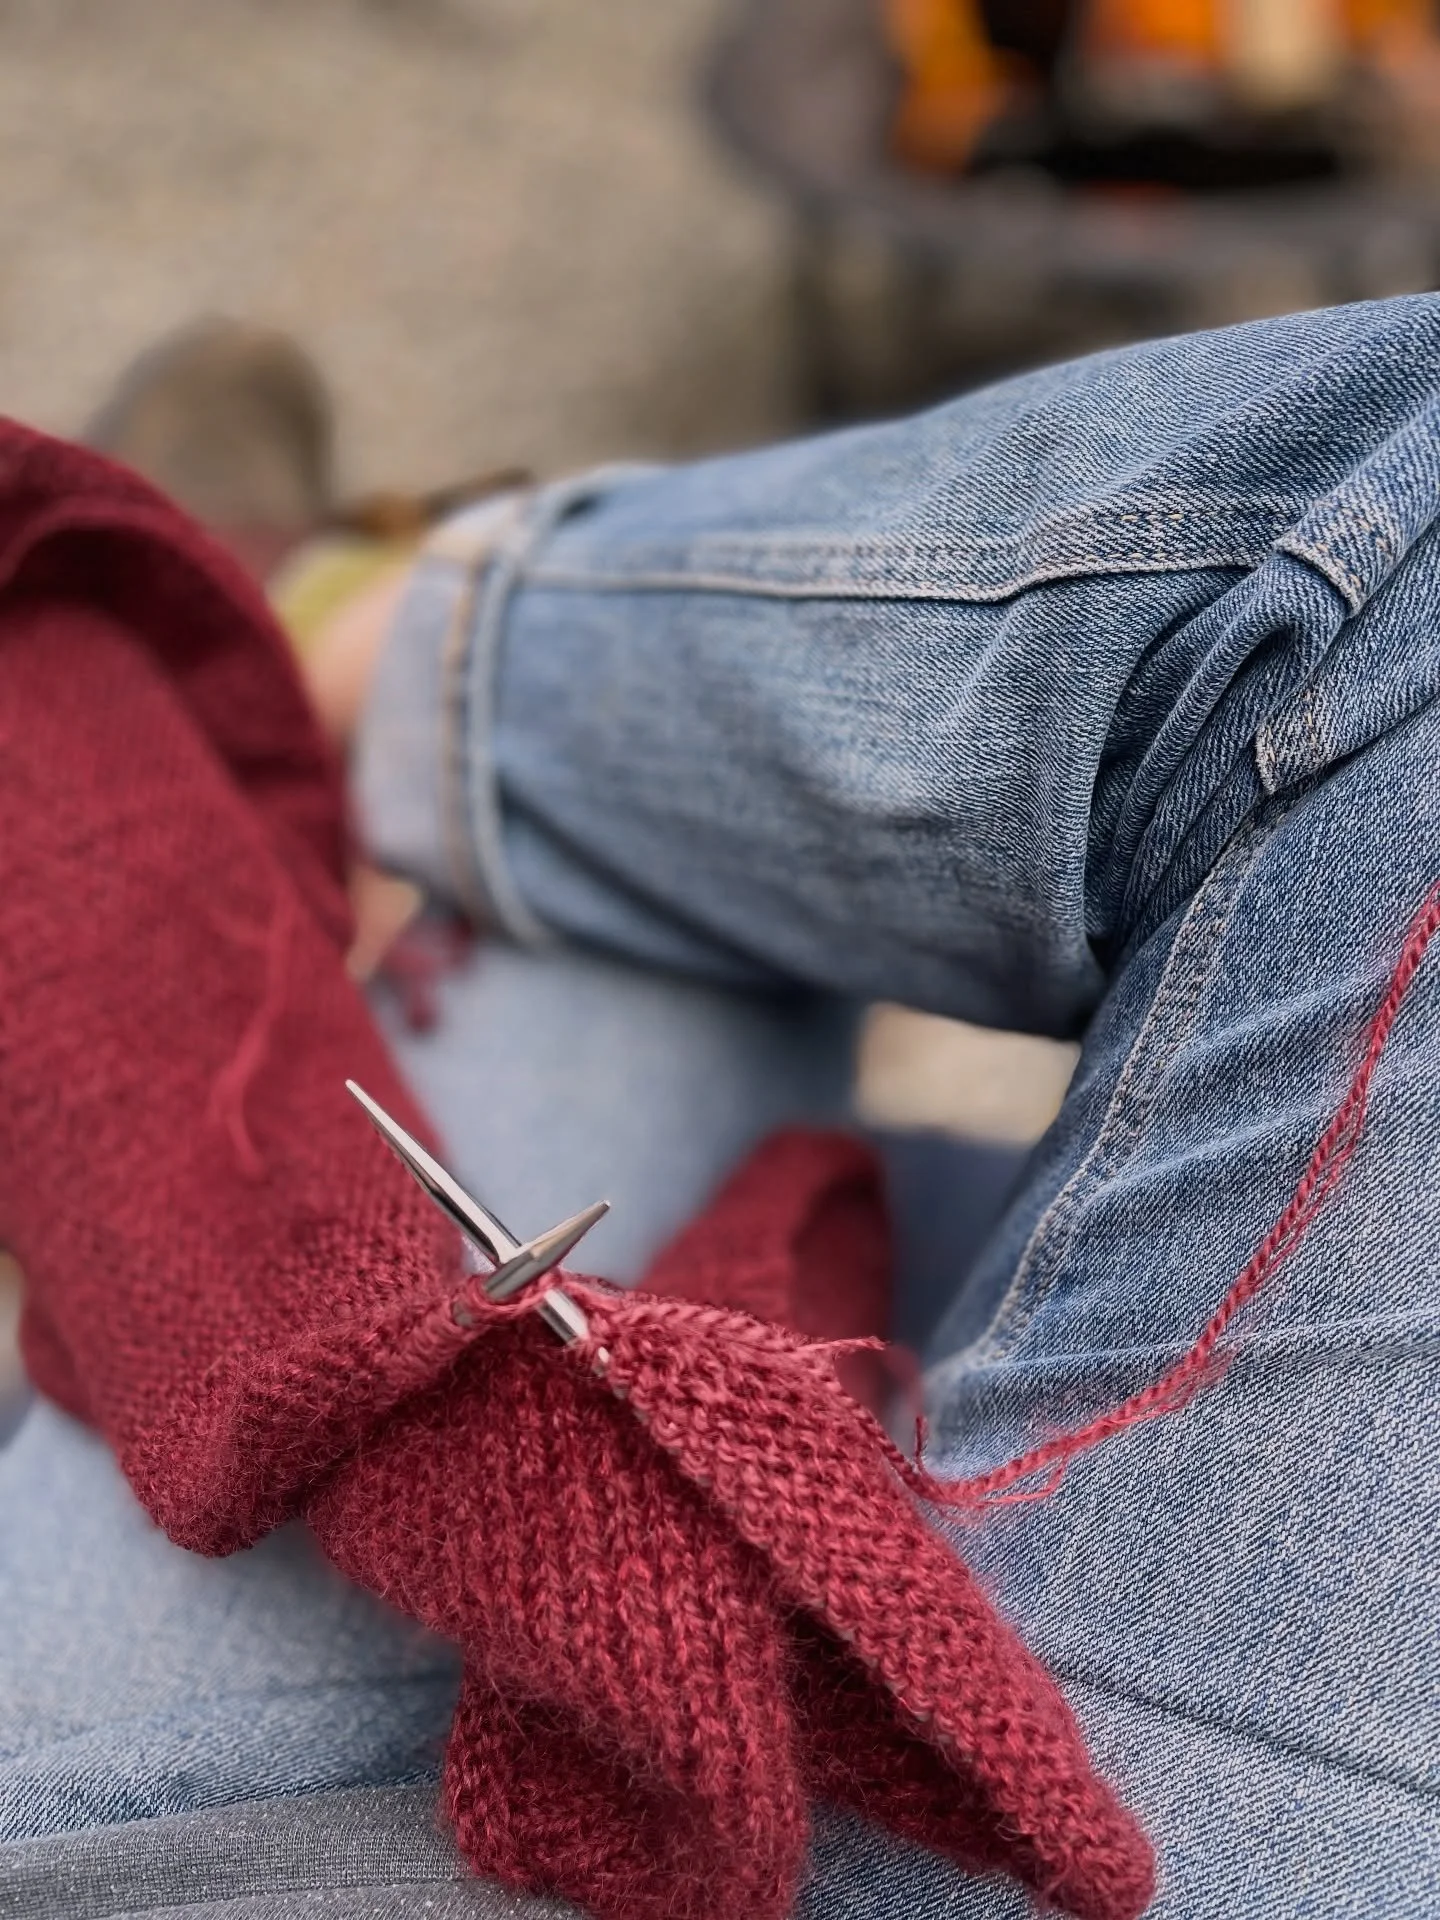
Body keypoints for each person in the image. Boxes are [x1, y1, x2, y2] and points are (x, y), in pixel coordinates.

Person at [3, 295, 1438, 1919]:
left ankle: (353, 663)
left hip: (152, 1838)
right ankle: (362, 679)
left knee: (1392, 532)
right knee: (733, 884)